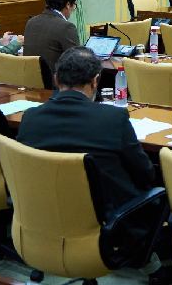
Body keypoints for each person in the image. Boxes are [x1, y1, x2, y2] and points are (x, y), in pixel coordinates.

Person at [17, 46, 156, 233]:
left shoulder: (30, 118)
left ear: (56, 79)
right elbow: (145, 174)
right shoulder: (114, 118)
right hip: (107, 228)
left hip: (44, 221)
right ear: (95, 81)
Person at [23, 0, 81, 72]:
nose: (73, 9)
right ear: (68, 5)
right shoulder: (66, 27)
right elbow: (77, 62)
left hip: (30, 81)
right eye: (74, 5)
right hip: (55, 83)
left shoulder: (31, 22)